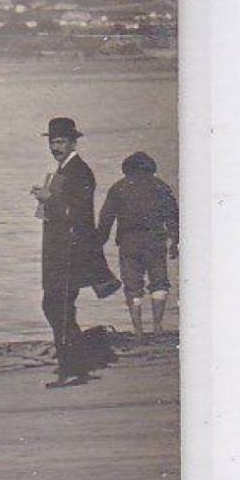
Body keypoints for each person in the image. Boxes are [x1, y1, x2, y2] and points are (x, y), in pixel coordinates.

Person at [30, 116, 122, 388]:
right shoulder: (64, 169)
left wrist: (50, 200)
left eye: (60, 141)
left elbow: (79, 216)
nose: (55, 146)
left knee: (56, 306)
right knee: (59, 306)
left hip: (70, 253)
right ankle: (76, 363)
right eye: (52, 141)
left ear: (72, 142)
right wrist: (47, 199)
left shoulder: (79, 171)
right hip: (60, 252)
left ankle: (74, 368)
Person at [97, 151, 179, 340]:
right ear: (151, 169)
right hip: (155, 242)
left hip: (129, 243)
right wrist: (175, 241)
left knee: (133, 286)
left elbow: (106, 218)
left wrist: (98, 243)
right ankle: (158, 326)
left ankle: (138, 330)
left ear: (127, 169)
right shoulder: (161, 187)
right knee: (159, 282)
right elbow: (173, 216)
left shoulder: (118, 188)